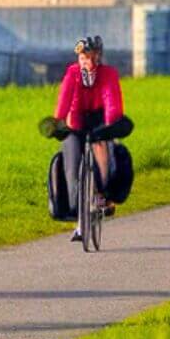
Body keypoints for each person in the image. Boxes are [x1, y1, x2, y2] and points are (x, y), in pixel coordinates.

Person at [54, 34, 125, 240]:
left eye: (92, 57)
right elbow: (64, 99)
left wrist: (111, 122)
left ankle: (102, 193)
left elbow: (112, 99)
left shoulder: (108, 74)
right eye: (84, 58)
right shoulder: (72, 74)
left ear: (99, 56)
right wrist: (58, 121)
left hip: (100, 120)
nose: (88, 62)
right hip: (76, 121)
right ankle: (79, 223)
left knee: (102, 148)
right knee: (73, 165)